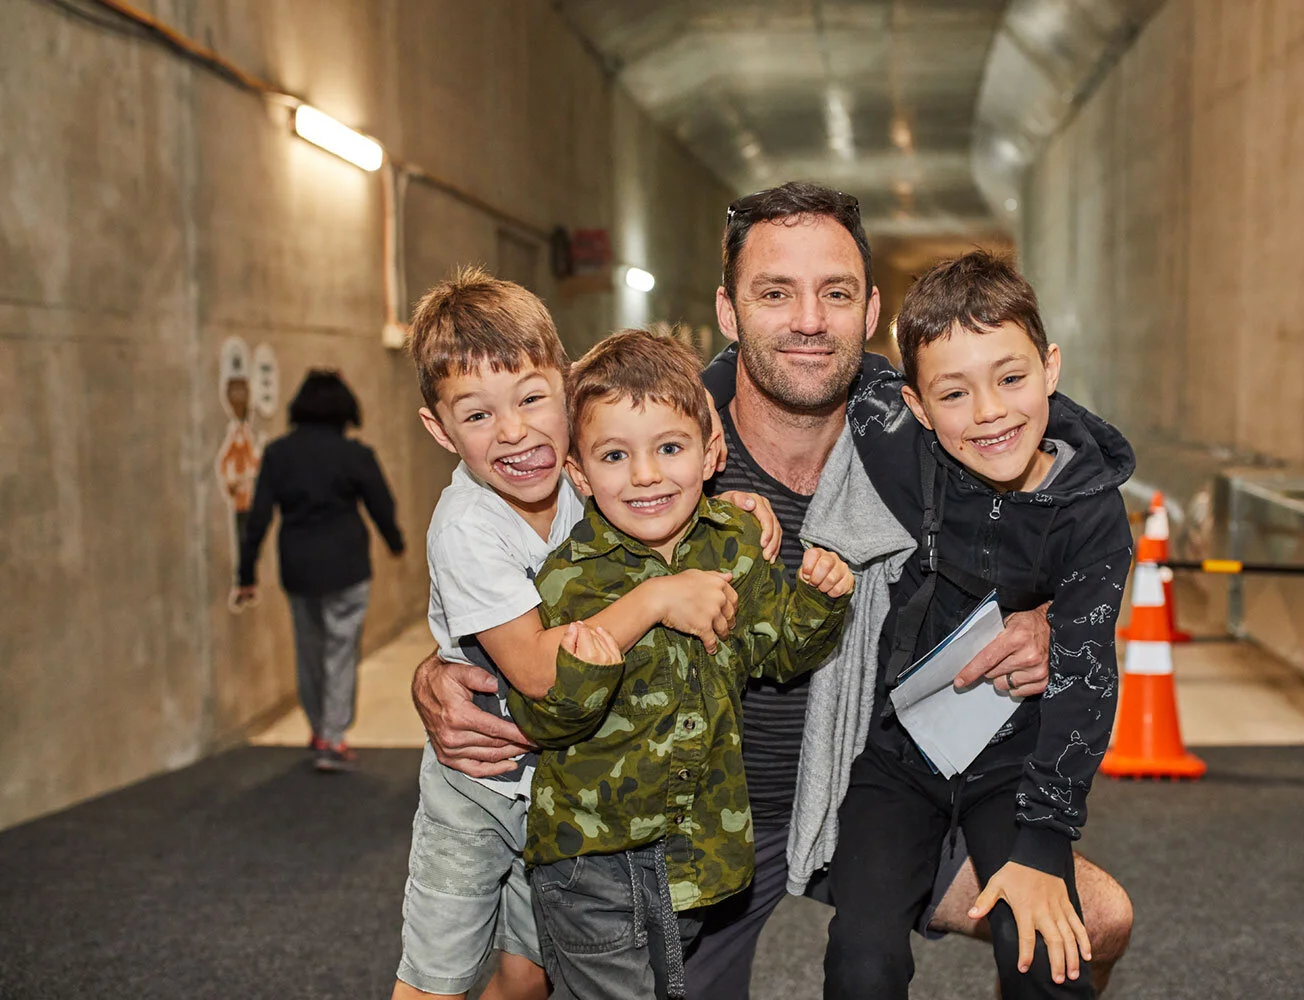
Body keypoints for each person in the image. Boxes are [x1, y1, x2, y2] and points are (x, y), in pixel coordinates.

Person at [410, 183, 1135, 995]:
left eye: (835, 293)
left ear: (870, 313)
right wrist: (440, 666)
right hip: (701, 812)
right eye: (775, 293)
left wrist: (1047, 617)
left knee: (1093, 920)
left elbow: (1052, 467)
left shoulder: (927, 430)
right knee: (546, 967)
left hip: (880, 786)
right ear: (728, 310)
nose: (808, 320)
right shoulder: (649, 438)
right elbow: (510, 511)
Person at [391, 270, 782, 1000]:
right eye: (477, 416)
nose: (514, 431)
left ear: (565, 388)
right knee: (435, 981)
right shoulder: (469, 527)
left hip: (561, 793)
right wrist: (658, 599)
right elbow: (540, 671)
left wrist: (731, 509)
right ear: (439, 429)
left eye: (533, 399)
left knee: (529, 974)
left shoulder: (581, 476)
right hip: (478, 791)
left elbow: (656, 492)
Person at [820, 249, 1134, 998]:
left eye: (1011, 377)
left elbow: (1086, 677)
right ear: (919, 407)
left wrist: (1045, 842)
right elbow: (789, 364)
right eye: (954, 394)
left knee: (1047, 955)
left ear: (1050, 368)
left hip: (1014, 766)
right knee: (863, 962)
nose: (990, 412)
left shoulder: (1092, 511)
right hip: (895, 760)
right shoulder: (893, 433)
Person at [506, 330, 853, 1000]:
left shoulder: (733, 546)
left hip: (698, 857)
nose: (645, 475)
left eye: (669, 447)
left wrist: (819, 598)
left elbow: (779, 652)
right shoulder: (567, 581)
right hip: (590, 863)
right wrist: (612, 648)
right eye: (614, 455)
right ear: (579, 473)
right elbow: (545, 715)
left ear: (709, 453)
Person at [235, 369, 404, 773]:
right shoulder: (355, 456)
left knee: (309, 650)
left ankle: (318, 729)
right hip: (346, 566)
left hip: (299, 568)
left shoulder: (278, 454)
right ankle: (333, 736)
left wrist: (246, 572)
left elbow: (257, 518)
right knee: (340, 651)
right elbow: (382, 504)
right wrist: (395, 542)